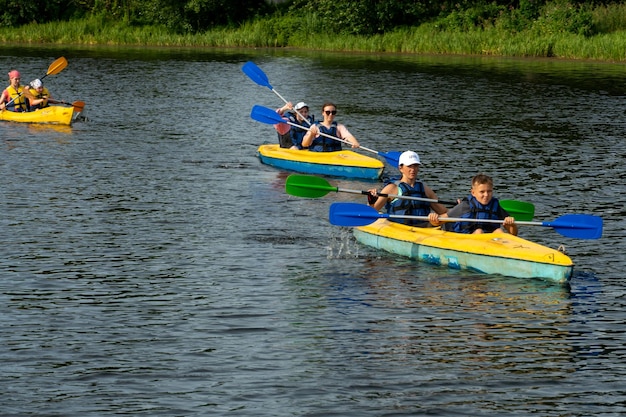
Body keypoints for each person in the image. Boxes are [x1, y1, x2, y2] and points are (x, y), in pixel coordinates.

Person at [367, 151, 447, 227]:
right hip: (399, 228)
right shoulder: (391, 189)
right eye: (409, 166)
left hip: (423, 228)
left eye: (415, 165)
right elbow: (372, 212)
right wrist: (371, 200)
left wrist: (436, 217)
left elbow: (445, 213)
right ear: (400, 168)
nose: (413, 169)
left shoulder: (425, 190)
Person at [430, 173, 518, 235]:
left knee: (499, 231)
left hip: (489, 241)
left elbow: (513, 233)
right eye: (482, 192)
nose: (486, 195)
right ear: (473, 192)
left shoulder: (495, 206)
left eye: (489, 191)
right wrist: (433, 219)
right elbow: (439, 221)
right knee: (479, 231)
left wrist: (512, 225)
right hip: (467, 239)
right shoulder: (465, 206)